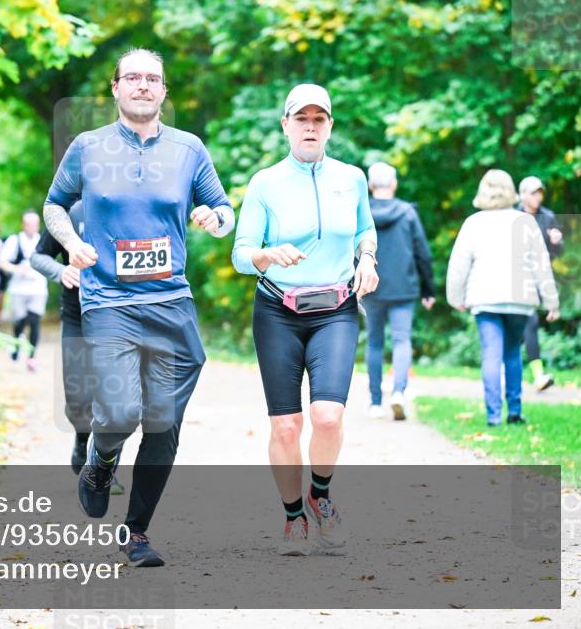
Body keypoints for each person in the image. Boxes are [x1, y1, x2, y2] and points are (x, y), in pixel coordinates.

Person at [43, 47, 234, 567]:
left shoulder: (189, 148)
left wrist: (216, 219)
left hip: (171, 301)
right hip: (108, 301)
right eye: (133, 78)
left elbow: (223, 206)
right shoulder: (87, 147)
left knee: (163, 424)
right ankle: (101, 462)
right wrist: (71, 242)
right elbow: (54, 204)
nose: (143, 85)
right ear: (116, 88)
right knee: (123, 411)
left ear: (164, 91)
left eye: (153, 78)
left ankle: (138, 533)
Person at [232, 83, 378, 556]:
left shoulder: (351, 177)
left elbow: (363, 227)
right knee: (287, 427)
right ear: (286, 126)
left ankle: (321, 494)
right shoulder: (264, 182)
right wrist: (267, 254)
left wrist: (368, 259)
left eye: (319, 119)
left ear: (330, 126)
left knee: (328, 416)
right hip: (277, 310)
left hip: (335, 309)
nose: (310, 127)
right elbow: (239, 255)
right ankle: (293, 517)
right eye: (302, 119)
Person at [446, 169, 559, 427]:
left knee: (491, 354)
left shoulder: (473, 223)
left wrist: (455, 298)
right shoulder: (526, 222)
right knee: (512, 354)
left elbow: (458, 266)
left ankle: (494, 416)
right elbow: (542, 266)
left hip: (484, 299)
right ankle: (515, 412)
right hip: (520, 299)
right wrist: (551, 302)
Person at [30, 201, 125, 494]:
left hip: (119, 316)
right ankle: (82, 437)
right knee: (78, 396)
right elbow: (38, 257)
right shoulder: (71, 213)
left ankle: (104, 469)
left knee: (114, 398)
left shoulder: (129, 208)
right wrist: (61, 272)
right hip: (77, 315)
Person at [363, 162, 436, 421]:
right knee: (401, 340)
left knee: (374, 342)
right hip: (403, 288)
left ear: (371, 186)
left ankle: (374, 403)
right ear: (393, 184)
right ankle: (398, 393)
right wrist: (429, 289)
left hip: (370, 287)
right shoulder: (407, 213)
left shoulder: (362, 212)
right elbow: (422, 253)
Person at [516, 176, 564, 391]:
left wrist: (556, 242)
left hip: (537, 277)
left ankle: (536, 376)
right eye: (533, 192)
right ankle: (529, 374)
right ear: (523, 195)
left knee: (529, 323)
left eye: (540, 192)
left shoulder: (548, 217)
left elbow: (555, 254)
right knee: (523, 325)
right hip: (513, 277)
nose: (538, 196)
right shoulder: (512, 215)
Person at [0, 211, 48, 371]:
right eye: (28, 223)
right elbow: (2, 261)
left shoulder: (43, 240)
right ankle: (17, 343)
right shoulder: (15, 240)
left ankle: (32, 357)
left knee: (34, 320)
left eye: (34, 224)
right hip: (19, 288)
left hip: (38, 287)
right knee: (20, 321)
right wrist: (16, 269)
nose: (31, 227)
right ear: (23, 224)